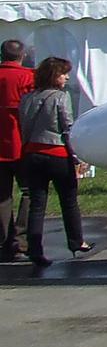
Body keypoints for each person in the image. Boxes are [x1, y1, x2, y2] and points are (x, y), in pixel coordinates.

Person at [18, 56, 91, 268]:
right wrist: (76, 156)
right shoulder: (61, 97)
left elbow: (24, 127)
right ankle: (77, 241)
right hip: (57, 153)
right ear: (54, 75)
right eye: (63, 73)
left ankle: (34, 248)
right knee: (69, 201)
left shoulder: (28, 98)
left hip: (32, 152)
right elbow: (67, 127)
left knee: (37, 204)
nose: (67, 77)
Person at [0, 38, 33, 260]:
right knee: (30, 192)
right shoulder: (28, 77)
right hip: (22, 143)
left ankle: (4, 240)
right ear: (21, 56)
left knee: (2, 196)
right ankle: (20, 239)